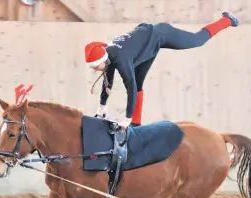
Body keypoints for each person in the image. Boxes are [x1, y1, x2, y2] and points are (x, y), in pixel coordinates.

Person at [85, 12, 239, 129]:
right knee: (138, 82)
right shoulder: (108, 54)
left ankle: (226, 20)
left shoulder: (121, 59)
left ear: (102, 59)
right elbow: (108, 81)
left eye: (95, 67)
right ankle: (136, 125)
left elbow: (129, 88)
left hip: (160, 34)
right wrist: (102, 107)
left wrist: (126, 119)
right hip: (145, 46)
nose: (95, 70)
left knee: (197, 40)